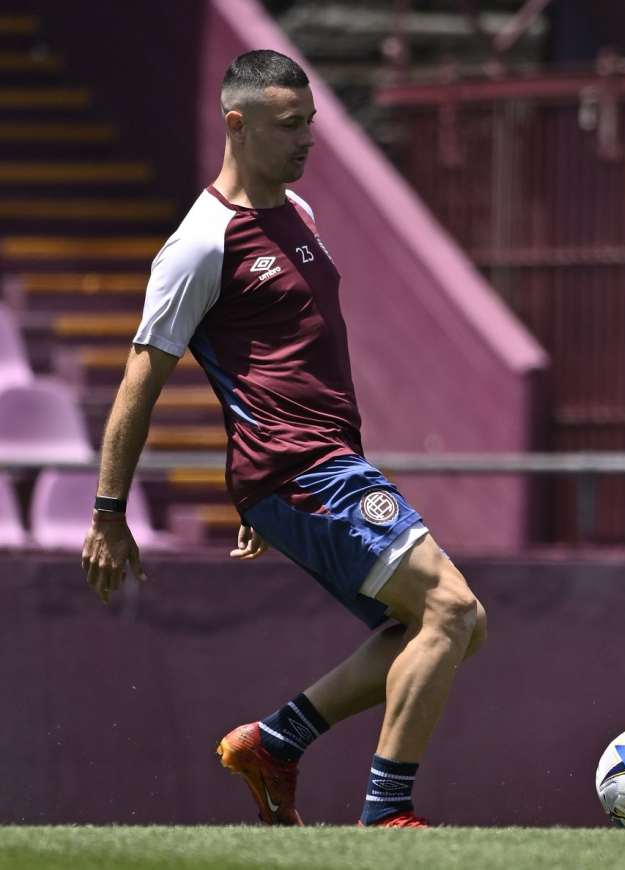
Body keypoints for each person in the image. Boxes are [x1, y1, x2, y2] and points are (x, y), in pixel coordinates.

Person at [78, 50, 485, 829]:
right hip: (299, 468)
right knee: (450, 608)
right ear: (238, 123)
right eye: (289, 125)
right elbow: (140, 381)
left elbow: (283, 353)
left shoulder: (298, 213)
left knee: (446, 628)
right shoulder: (200, 243)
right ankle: (387, 818)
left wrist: (265, 497)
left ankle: (277, 742)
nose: (307, 140)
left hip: (311, 469)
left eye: (311, 123)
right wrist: (107, 513)